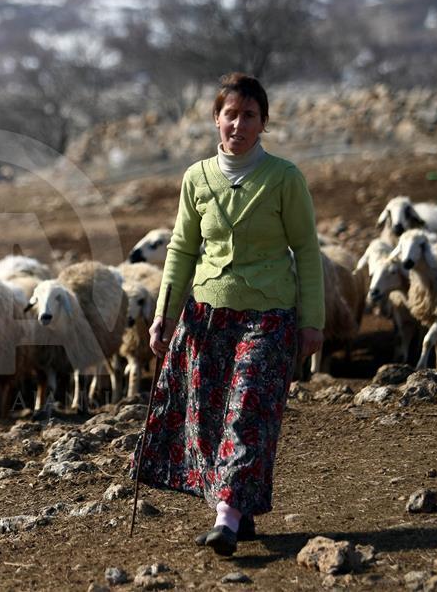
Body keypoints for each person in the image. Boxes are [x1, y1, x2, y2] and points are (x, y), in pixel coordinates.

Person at [139, 72, 324, 557]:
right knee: (207, 417)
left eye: (250, 116)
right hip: (206, 315)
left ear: (263, 124)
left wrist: (313, 322)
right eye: (230, 114)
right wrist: (163, 314)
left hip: (268, 315)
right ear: (216, 119)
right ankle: (237, 511)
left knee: (246, 412)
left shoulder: (285, 178)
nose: (238, 124)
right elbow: (180, 248)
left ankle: (225, 517)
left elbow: (305, 250)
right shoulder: (196, 178)